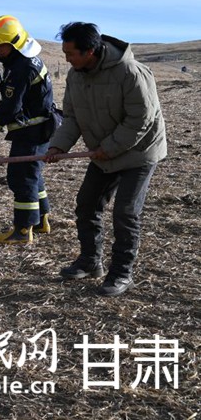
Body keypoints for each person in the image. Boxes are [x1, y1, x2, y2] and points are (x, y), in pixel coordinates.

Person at [46, 22, 166, 297]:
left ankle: (122, 273)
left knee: (125, 212)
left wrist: (109, 147)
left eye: (71, 53)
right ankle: (90, 261)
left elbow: (141, 119)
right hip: (104, 152)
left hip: (140, 152)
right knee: (87, 204)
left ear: (90, 51)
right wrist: (58, 146)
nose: (67, 58)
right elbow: (72, 117)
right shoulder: (76, 75)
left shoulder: (131, 73)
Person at [0, 15, 57, 245]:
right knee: (32, 175)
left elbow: (10, 108)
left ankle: (22, 230)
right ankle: (40, 221)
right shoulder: (27, 60)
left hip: (32, 131)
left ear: (15, 43)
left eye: (1, 46)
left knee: (21, 178)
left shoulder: (21, 67)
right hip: (37, 128)